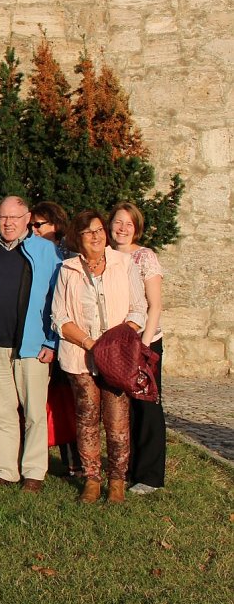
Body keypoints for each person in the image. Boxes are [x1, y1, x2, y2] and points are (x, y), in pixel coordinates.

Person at [51, 210, 146, 503]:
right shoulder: (68, 269)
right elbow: (59, 316)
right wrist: (91, 343)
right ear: (77, 239)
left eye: (99, 230)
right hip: (81, 356)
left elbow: (139, 308)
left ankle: (117, 481)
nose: (96, 236)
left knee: (117, 422)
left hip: (117, 358)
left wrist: (116, 340)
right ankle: (92, 480)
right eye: (88, 232)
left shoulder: (124, 263)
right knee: (87, 418)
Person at [0, 196, 62, 493]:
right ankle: (6, 470)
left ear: (27, 218)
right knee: (3, 411)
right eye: (2, 217)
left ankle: (34, 471)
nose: (8, 223)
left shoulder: (45, 251)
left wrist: (51, 340)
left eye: (14, 217)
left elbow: (57, 298)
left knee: (34, 411)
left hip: (31, 346)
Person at [109, 201, 166, 495]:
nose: (122, 229)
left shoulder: (145, 257)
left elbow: (154, 305)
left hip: (144, 341)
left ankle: (150, 475)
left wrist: (143, 348)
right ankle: (125, 469)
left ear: (136, 228)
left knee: (147, 406)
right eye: (118, 222)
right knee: (121, 407)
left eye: (128, 224)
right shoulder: (104, 255)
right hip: (115, 343)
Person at [31, 201, 82, 477]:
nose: (34, 230)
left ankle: (78, 461)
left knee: (70, 402)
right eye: (32, 226)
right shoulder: (33, 253)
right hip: (44, 334)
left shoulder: (70, 255)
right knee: (52, 401)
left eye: (39, 225)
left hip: (70, 336)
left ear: (56, 226)